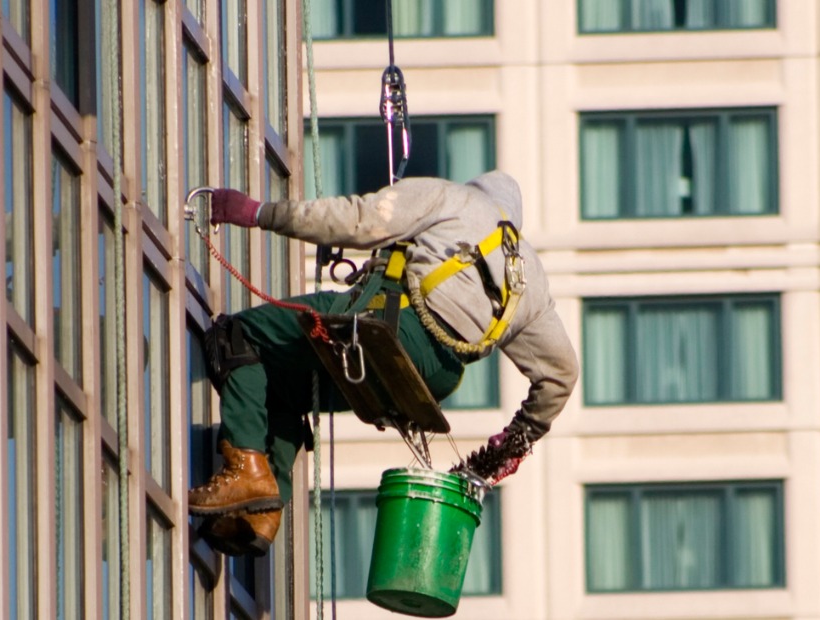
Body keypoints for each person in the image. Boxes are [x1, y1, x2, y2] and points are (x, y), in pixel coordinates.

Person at [187, 170, 579, 556]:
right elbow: (562, 373)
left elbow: (359, 220)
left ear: (479, 190)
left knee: (237, 336)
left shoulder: (455, 199)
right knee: (281, 385)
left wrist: (258, 213)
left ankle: (246, 470)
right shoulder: (530, 279)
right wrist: (512, 443)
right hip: (428, 381)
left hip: (386, 332)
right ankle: (263, 511)